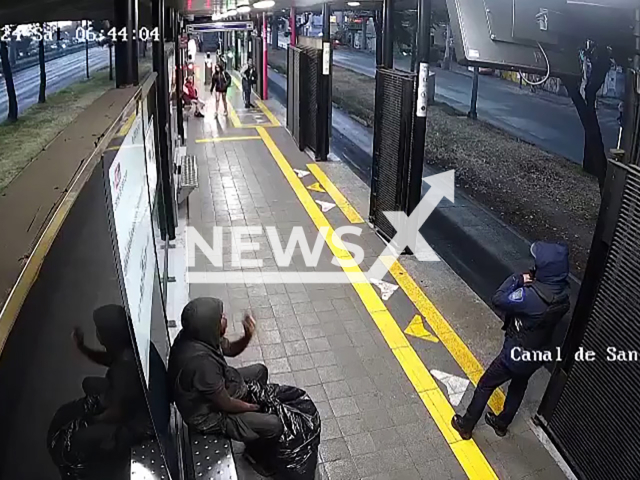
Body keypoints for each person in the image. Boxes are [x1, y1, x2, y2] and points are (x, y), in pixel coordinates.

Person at [451, 241, 571, 439]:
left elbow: (499, 299)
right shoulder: (563, 297)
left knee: (486, 384)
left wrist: (517, 279)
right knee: (518, 386)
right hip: (537, 354)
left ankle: (466, 425)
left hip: (515, 355)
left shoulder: (530, 297)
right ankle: (501, 423)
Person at [168, 298, 283, 460]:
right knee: (274, 425)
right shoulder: (201, 364)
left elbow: (229, 349)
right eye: (220, 318)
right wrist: (253, 407)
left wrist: (247, 335)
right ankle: (255, 456)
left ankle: (254, 423)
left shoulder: (200, 335)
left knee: (259, 371)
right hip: (208, 414)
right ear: (209, 325)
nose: (225, 318)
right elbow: (226, 404)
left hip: (218, 386)